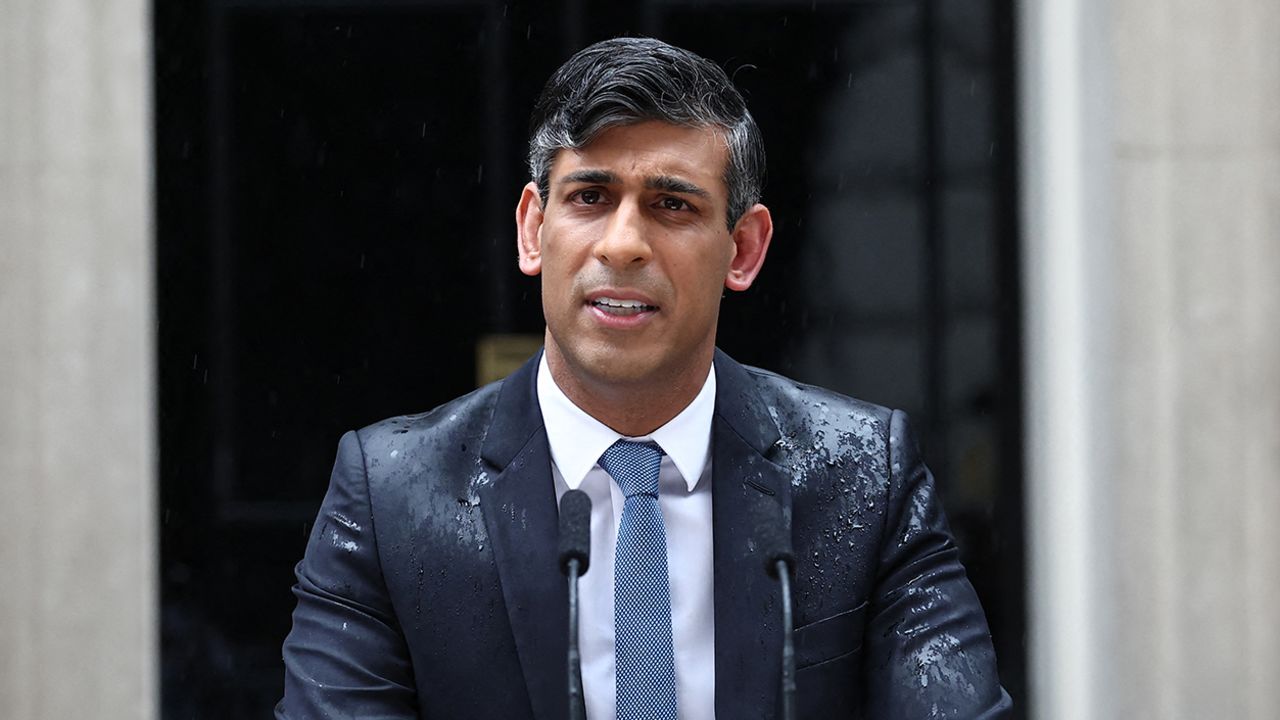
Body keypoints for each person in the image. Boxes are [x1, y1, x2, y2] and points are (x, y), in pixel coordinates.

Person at [277, 37, 1011, 719]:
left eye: (672, 204)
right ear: (534, 230)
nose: (623, 243)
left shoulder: (861, 475)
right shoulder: (393, 495)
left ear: (744, 249)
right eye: (590, 197)